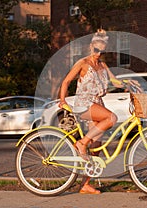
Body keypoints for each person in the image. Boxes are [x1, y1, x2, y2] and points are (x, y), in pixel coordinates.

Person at [58, 29, 122, 194]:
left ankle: (85, 184)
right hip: (84, 103)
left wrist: (128, 82)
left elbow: (115, 81)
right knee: (112, 117)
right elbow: (66, 81)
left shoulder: (102, 65)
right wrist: (62, 100)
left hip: (97, 103)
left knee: (97, 147)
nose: (98, 53)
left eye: (102, 50)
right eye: (96, 49)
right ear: (91, 46)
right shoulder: (83, 63)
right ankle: (81, 143)